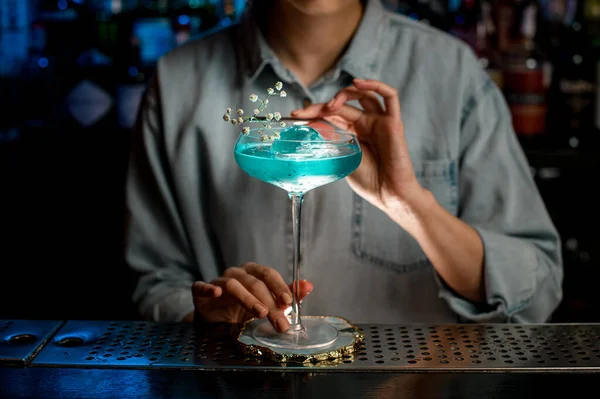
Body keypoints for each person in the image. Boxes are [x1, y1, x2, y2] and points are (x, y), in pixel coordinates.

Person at [124, 0, 563, 331]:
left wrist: (409, 204)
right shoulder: (178, 81)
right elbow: (154, 282)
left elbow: (537, 293)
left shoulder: (451, 72)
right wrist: (204, 314)